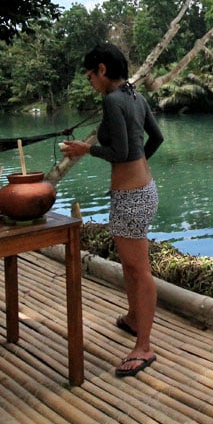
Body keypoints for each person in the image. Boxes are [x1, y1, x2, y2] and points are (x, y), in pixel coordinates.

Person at [61, 43, 164, 377]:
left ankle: (144, 346)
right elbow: (157, 138)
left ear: (102, 70)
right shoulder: (136, 97)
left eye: (90, 75)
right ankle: (135, 319)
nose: (90, 81)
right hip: (143, 188)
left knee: (138, 268)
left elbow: (119, 152)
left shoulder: (112, 100)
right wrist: (140, 163)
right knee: (131, 265)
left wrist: (85, 149)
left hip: (132, 195)